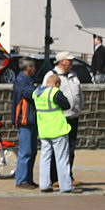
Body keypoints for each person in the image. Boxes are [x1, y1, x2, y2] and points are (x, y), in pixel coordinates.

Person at [34, 73, 81, 194]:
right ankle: (66, 186)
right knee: (62, 159)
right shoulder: (54, 92)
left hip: (44, 130)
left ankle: (44, 185)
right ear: (56, 84)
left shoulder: (37, 93)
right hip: (57, 130)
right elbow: (66, 105)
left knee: (45, 158)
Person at [41, 51, 83, 185]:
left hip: (73, 116)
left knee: (70, 149)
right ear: (62, 61)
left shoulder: (73, 75)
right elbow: (45, 94)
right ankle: (55, 178)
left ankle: (68, 176)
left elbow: (79, 93)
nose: (71, 63)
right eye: (69, 61)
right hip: (59, 118)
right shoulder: (51, 75)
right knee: (57, 150)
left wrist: (80, 107)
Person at [12, 57, 38, 189]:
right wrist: (42, 90)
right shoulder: (21, 80)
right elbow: (29, 93)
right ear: (29, 68)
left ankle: (28, 179)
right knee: (25, 151)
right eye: (33, 67)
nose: (35, 70)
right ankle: (21, 180)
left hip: (31, 119)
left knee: (32, 151)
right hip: (25, 119)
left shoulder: (27, 80)